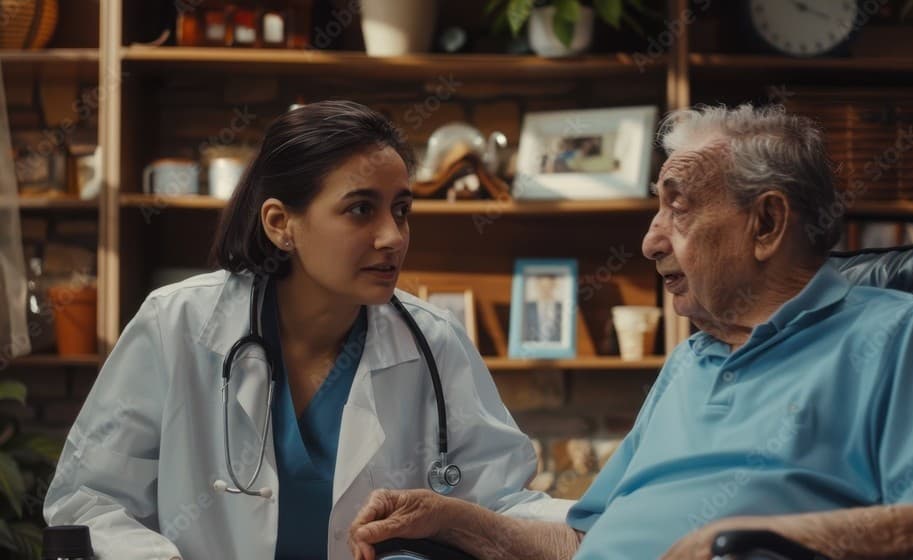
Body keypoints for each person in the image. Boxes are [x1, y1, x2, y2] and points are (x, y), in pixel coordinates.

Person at [348, 104, 913, 560]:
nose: (649, 241)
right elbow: (584, 542)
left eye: (679, 206)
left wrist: (746, 542)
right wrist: (450, 518)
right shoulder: (690, 359)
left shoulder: (898, 336)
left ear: (768, 223)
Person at [43, 101, 557, 560]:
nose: (392, 237)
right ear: (279, 223)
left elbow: (503, 507)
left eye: (401, 210)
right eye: (361, 209)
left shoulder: (434, 341)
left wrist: (594, 523)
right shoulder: (175, 324)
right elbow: (88, 500)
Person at [522, 274, 562, 343]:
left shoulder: (561, 307)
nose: (545, 291)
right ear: (537, 285)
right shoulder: (527, 308)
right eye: (542, 287)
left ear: (554, 285)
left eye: (548, 287)